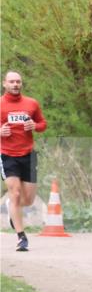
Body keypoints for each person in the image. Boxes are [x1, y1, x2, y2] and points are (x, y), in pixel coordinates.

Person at [1, 71, 47, 252]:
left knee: (28, 200)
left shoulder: (31, 103)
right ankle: (21, 237)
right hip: (7, 155)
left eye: (18, 81)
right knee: (15, 193)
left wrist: (34, 126)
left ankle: (12, 209)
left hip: (28, 155)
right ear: (4, 83)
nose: (15, 84)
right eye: (11, 81)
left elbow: (43, 124)